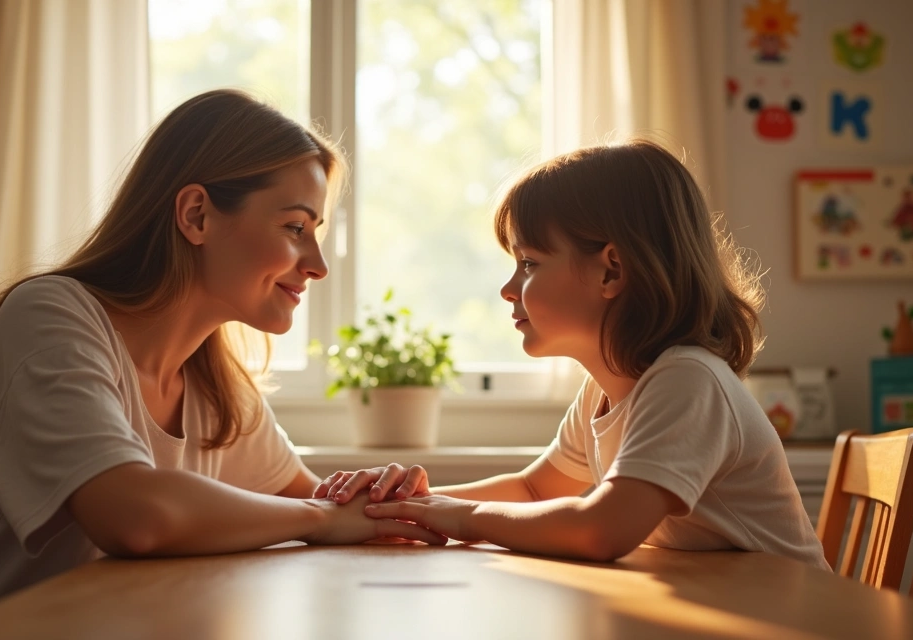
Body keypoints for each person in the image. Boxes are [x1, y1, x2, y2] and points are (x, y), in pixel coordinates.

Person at [0, 89, 444, 639]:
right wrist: (325, 519)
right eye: (295, 227)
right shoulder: (52, 314)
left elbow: (308, 502)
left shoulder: (215, 378)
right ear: (196, 215)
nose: (316, 264)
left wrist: (366, 501)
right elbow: (133, 516)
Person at [317, 140, 828, 569]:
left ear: (611, 270)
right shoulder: (606, 391)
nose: (508, 289)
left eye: (529, 263)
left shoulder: (689, 381)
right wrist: (417, 507)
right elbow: (537, 490)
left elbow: (601, 530)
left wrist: (459, 518)